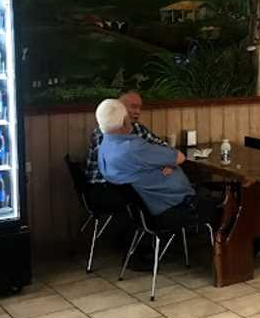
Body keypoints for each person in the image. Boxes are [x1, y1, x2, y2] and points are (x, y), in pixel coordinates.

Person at [94, 98, 218, 228]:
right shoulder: (133, 148)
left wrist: (165, 163)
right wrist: (168, 162)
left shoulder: (105, 147)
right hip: (176, 206)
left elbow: (144, 167)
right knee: (228, 208)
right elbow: (180, 157)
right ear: (124, 121)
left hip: (145, 211)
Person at [86, 91, 166, 185]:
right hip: (104, 184)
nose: (138, 111)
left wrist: (166, 162)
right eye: (133, 106)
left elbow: (163, 146)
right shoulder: (104, 131)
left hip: (129, 183)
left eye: (140, 107)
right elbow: (118, 166)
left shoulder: (138, 128)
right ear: (119, 108)